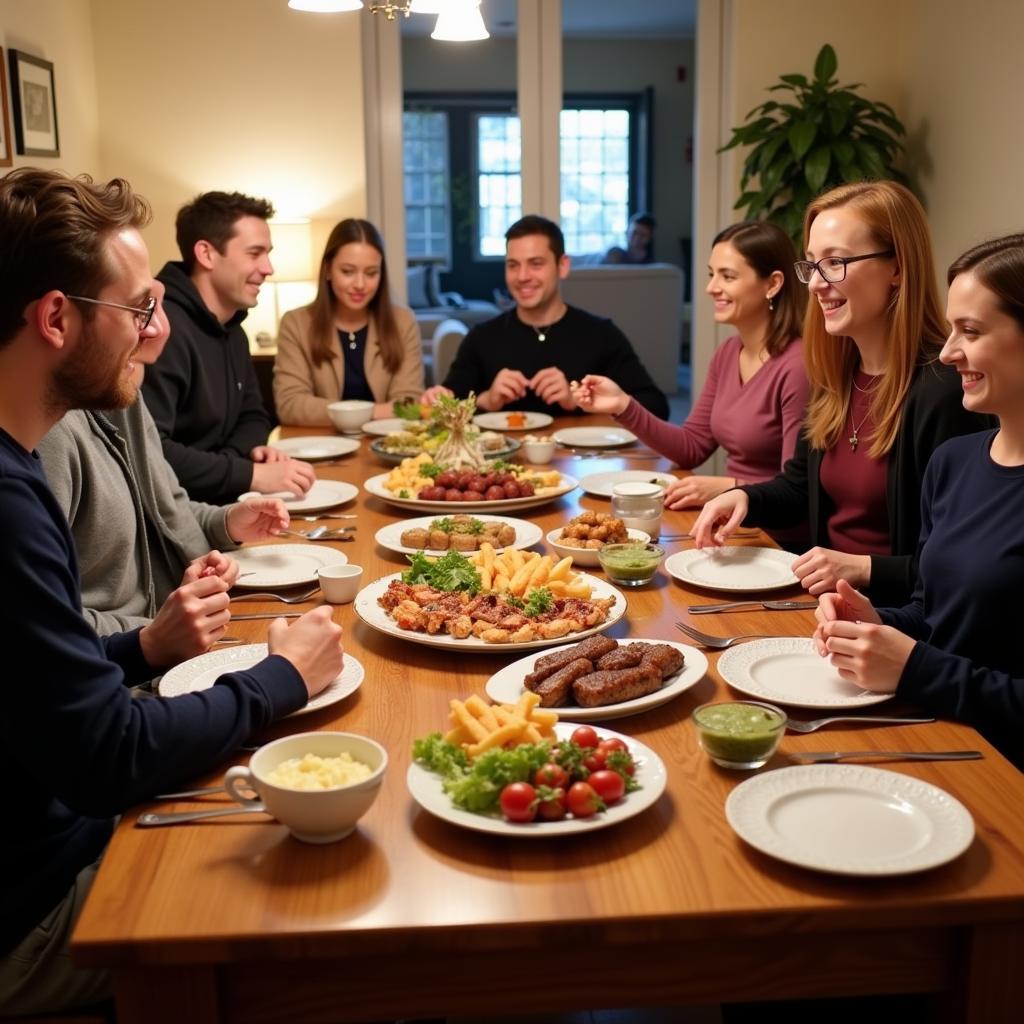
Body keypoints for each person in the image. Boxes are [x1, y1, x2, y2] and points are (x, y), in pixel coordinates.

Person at [0, 168, 343, 1016]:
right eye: (134, 311)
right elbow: (106, 754)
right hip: (29, 915)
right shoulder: (9, 498)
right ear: (54, 318)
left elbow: (42, 676)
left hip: (59, 831)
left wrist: (140, 647)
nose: (151, 332)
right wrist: (280, 679)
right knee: (328, 922)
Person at [691, 181, 992, 606]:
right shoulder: (837, 373)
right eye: (812, 265)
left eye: (835, 263)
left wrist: (860, 566)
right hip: (825, 605)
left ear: (898, 267)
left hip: (893, 625)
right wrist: (744, 496)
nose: (815, 284)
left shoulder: (944, 391)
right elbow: (799, 489)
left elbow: (957, 567)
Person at [814, 233, 1024, 769]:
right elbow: (934, 613)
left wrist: (915, 668)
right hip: (927, 732)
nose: (949, 352)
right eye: (951, 329)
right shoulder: (954, 462)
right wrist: (877, 622)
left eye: (970, 332)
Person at [37, 282, 291, 637]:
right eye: (140, 307)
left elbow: (169, 507)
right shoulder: (46, 435)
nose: (158, 328)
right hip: (131, 670)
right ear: (58, 317)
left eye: (157, 305)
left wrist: (226, 522)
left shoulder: (124, 392)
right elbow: (46, 629)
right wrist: (157, 632)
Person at [574, 221, 809, 508]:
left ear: (772, 284)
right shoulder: (728, 353)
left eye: (728, 276)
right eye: (712, 274)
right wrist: (622, 404)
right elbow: (691, 447)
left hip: (775, 537)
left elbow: (797, 493)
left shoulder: (796, 365)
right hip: (731, 521)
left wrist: (726, 488)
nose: (711, 288)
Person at [142, 190, 316, 505]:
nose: (268, 268)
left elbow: (255, 417)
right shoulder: (161, 330)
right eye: (255, 253)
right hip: (176, 520)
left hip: (224, 505)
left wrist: (237, 462)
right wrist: (249, 474)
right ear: (206, 254)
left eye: (268, 253)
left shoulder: (234, 329)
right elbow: (152, 452)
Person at [421, 214, 668, 418]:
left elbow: (657, 407)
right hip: (499, 472)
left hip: (581, 468)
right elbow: (443, 408)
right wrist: (487, 400)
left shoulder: (600, 334)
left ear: (563, 266)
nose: (522, 276)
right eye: (513, 265)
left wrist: (581, 401)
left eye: (536, 263)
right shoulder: (482, 337)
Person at [273, 218, 423, 426]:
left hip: (386, 443)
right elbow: (291, 405)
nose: (360, 284)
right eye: (348, 271)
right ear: (328, 270)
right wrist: (372, 411)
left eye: (371, 273)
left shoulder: (402, 322)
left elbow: (409, 403)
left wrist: (338, 412)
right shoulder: (296, 324)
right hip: (320, 447)